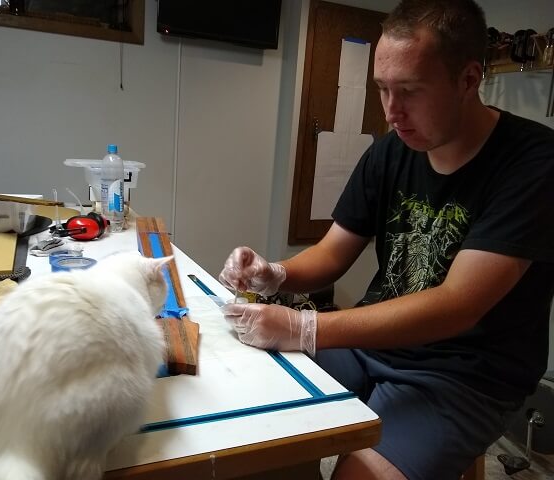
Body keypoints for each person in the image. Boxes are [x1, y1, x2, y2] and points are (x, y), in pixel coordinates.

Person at [219, 1, 554, 479]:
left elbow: (457, 304)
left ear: (468, 79)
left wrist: (304, 327)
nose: (392, 112)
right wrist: (275, 274)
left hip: (465, 374)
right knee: (257, 432)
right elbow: (334, 252)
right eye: (382, 90)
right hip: (373, 343)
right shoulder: (392, 149)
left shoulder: (532, 164)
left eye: (410, 92)